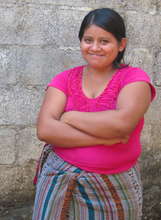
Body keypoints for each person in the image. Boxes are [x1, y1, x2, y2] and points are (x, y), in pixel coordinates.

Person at [32, 8, 156, 220]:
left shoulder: (134, 79)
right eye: (88, 40)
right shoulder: (64, 79)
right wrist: (107, 138)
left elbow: (121, 124)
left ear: (121, 44)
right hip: (57, 179)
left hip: (114, 187)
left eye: (104, 41)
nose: (95, 48)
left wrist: (69, 117)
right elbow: (45, 130)